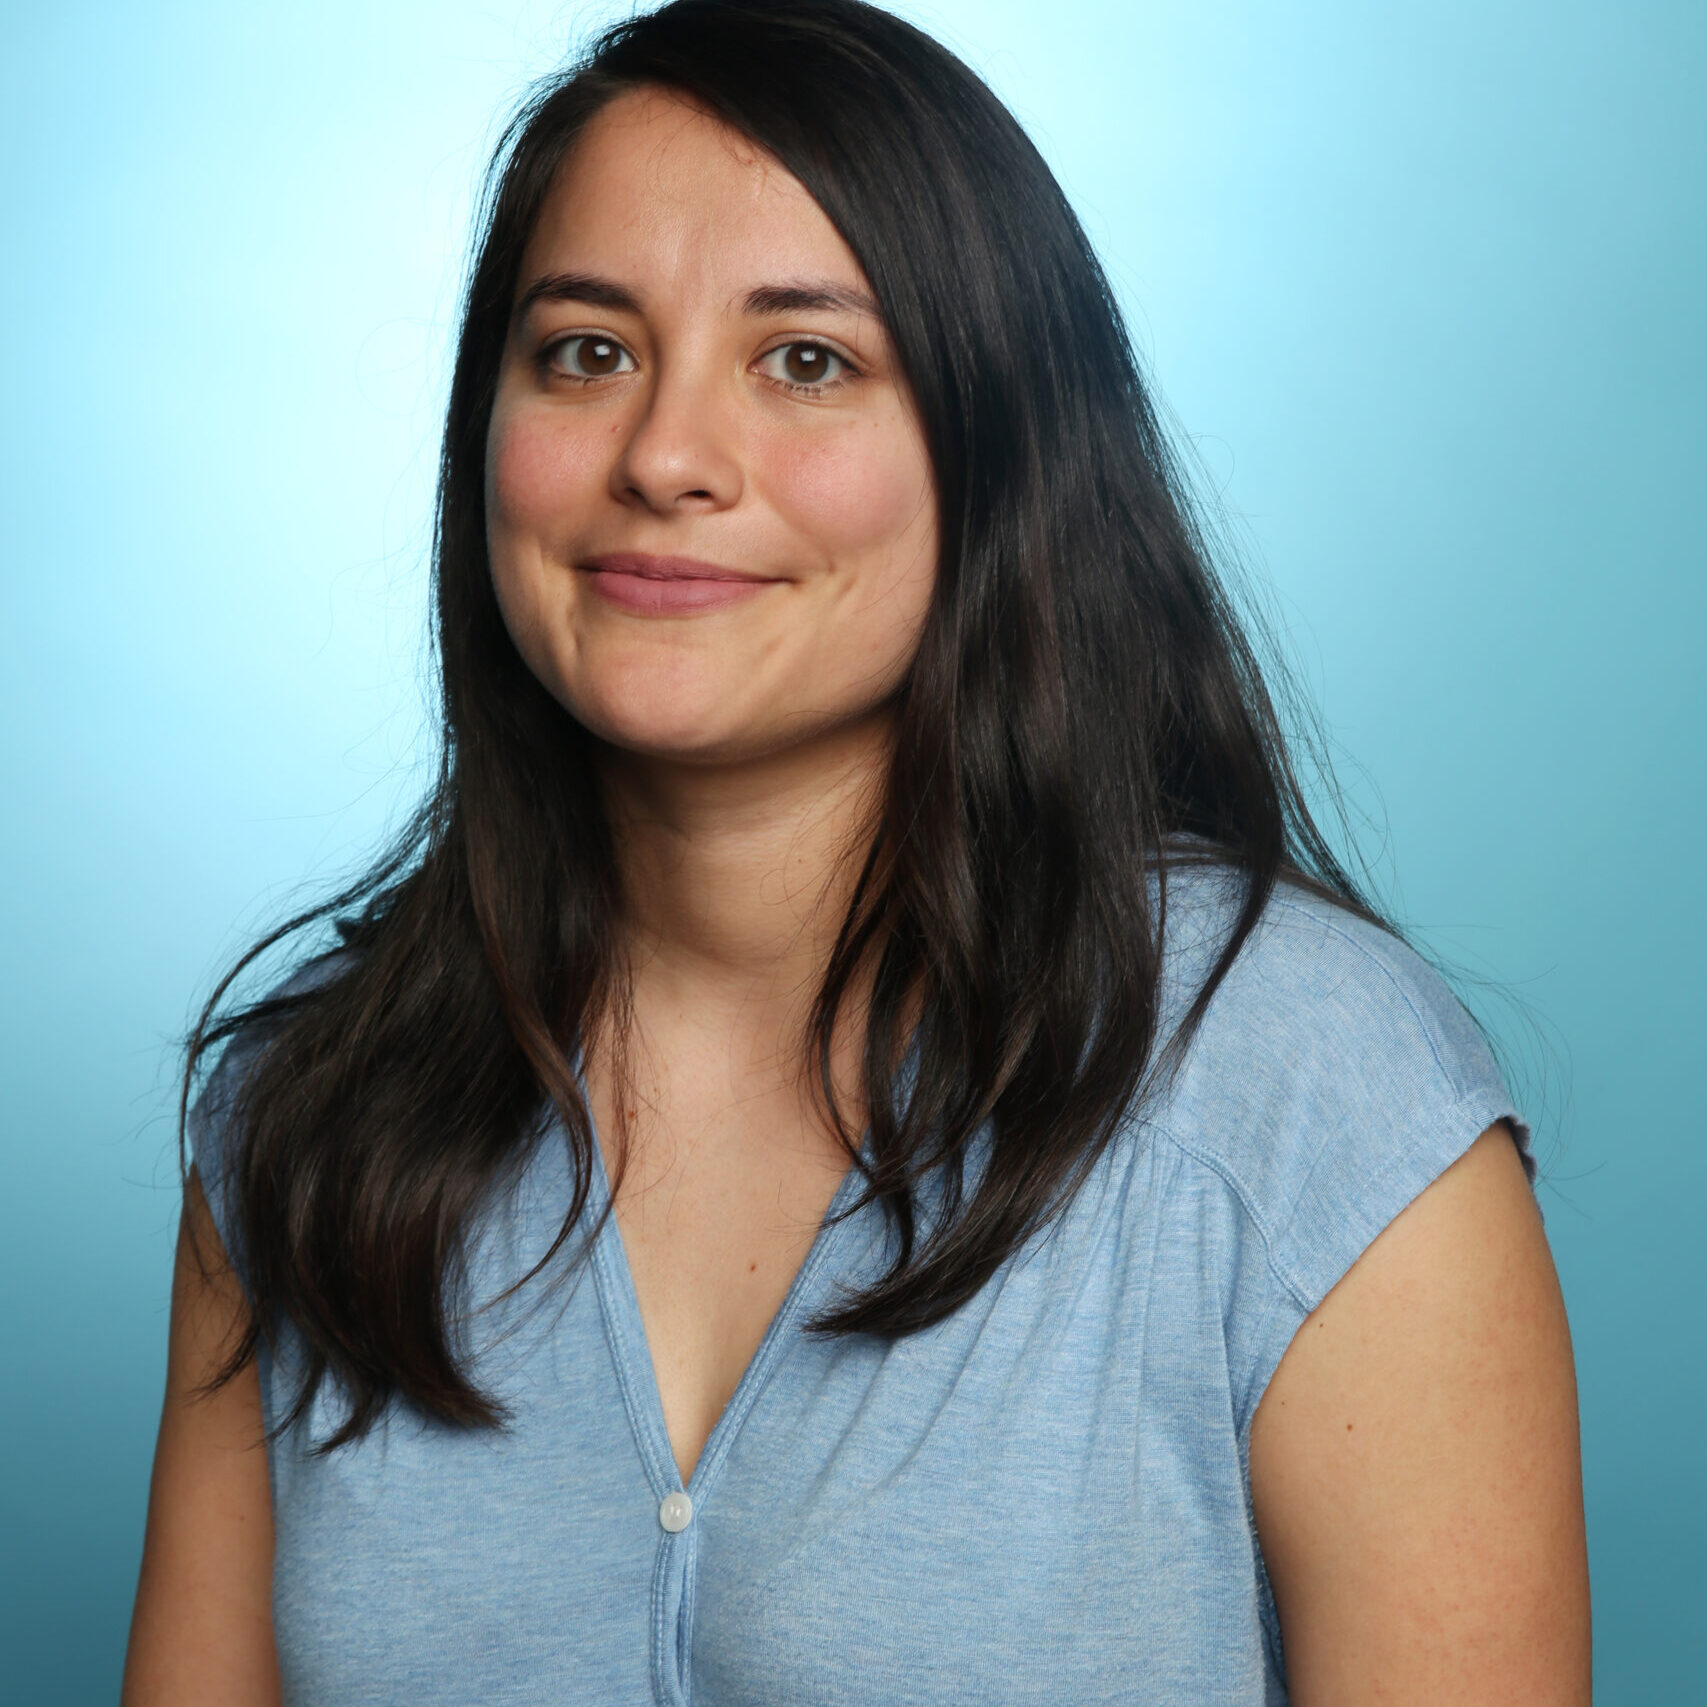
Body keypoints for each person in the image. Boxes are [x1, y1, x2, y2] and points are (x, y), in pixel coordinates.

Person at [123, 2, 1591, 1701]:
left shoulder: (1314, 1101)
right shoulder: (305, 1115)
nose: (665, 456)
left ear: (1003, 455)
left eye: (806, 360)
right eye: (586, 351)